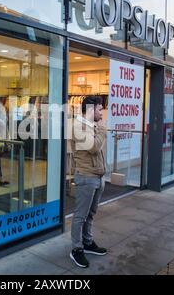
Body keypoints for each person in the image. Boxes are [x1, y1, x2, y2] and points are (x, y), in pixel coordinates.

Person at [69, 96, 107, 268]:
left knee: (91, 214)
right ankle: (76, 249)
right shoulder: (78, 126)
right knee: (80, 216)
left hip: (97, 176)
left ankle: (87, 242)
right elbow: (93, 147)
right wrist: (102, 131)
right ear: (91, 110)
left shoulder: (92, 126)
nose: (102, 112)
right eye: (100, 109)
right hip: (86, 176)